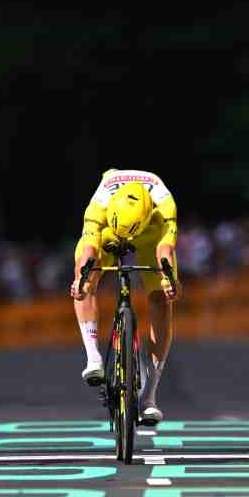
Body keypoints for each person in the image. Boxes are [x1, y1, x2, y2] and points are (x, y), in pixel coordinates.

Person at [70, 168, 180, 425]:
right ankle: (93, 356)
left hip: (150, 232)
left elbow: (165, 247)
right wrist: (81, 280)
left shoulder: (164, 205)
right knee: (85, 279)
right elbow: (89, 247)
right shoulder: (99, 205)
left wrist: (169, 280)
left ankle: (149, 397)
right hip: (109, 230)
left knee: (163, 298)